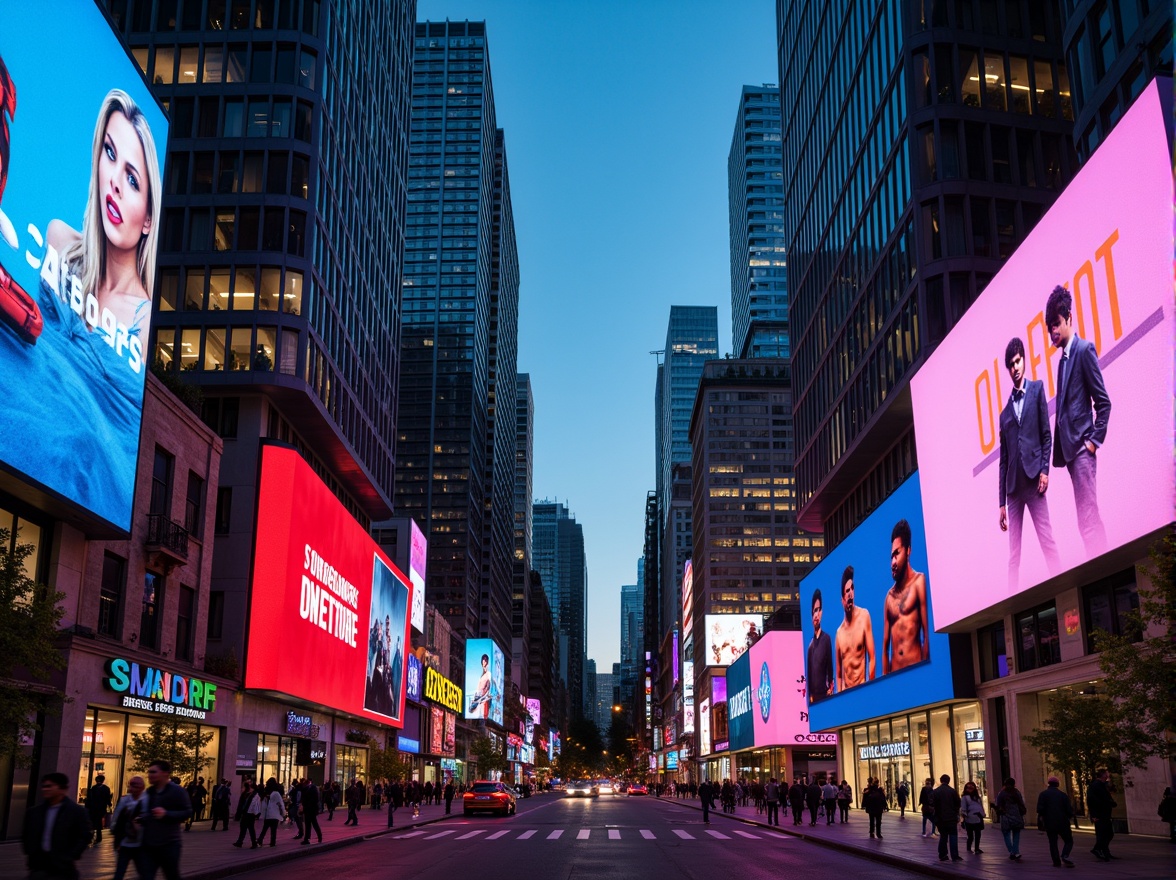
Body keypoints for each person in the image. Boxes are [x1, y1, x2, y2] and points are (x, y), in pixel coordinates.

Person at [1046, 284, 1111, 556]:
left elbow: (1103, 403)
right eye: (1050, 327)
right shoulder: (1062, 360)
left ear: (1069, 318)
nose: (1053, 332)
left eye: (1057, 324)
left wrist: (1093, 442)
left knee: (1088, 520)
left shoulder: (1084, 350)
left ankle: (1103, 568)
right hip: (1072, 454)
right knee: (1085, 519)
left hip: (1083, 451)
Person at [999, 337, 1061, 588]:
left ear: (1024, 360)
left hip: (1035, 481)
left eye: (1018, 361)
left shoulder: (1037, 390)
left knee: (1048, 540)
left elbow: (1047, 435)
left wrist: (1045, 470)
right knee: (1014, 555)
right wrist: (1000, 502)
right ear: (1007, 369)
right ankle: (1012, 599)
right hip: (1013, 490)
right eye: (1011, 365)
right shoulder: (1003, 415)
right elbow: (1003, 462)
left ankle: (1062, 585)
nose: (1015, 367)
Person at [21, 772, 92, 880]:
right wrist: (31, 852)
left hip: (63, 868)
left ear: (62, 789)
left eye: (49, 786)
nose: (45, 789)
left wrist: (71, 855)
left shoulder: (76, 812)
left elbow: (85, 835)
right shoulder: (34, 812)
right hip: (38, 866)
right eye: (44, 786)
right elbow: (26, 834)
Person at [882, 519, 930, 673]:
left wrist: (924, 671)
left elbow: (927, 635)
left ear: (908, 550)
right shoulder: (889, 597)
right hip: (895, 676)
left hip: (916, 670)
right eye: (891, 557)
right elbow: (885, 648)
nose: (893, 562)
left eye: (897, 553)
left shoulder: (919, 582)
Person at [139, 759, 193, 880]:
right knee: (145, 876)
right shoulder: (150, 792)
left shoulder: (177, 791)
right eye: (149, 772)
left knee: (171, 875)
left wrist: (166, 814)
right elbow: (147, 813)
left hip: (169, 844)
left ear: (165, 773)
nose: (150, 775)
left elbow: (187, 812)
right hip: (149, 845)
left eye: (153, 772)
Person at [835, 566, 875, 690]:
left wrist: (871, 688)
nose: (850, 593)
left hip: (863, 688)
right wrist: (840, 698)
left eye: (852, 588)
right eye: (847, 591)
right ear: (842, 599)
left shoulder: (864, 616)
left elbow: (872, 657)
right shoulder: (839, 633)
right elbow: (839, 674)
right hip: (846, 694)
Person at [111, 775, 148, 880]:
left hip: (140, 843)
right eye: (132, 786)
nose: (132, 789)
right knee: (120, 871)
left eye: (135, 786)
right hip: (125, 842)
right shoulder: (124, 801)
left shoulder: (146, 801)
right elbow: (115, 820)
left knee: (143, 872)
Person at [1036, 775, 1075, 867]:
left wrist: (1043, 818)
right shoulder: (1063, 795)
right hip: (1063, 822)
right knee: (1068, 840)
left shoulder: (1043, 794)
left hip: (1049, 822)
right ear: (1057, 784)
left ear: (1048, 784)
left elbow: (1040, 809)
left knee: (1053, 842)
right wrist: (1069, 817)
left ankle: (1056, 861)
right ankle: (1065, 855)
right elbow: (1069, 810)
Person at [807, 589, 835, 703]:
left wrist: (830, 688)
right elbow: (809, 674)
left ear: (822, 612)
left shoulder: (826, 639)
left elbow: (830, 667)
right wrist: (810, 696)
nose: (816, 615)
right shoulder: (810, 646)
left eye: (818, 610)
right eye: (814, 611)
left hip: (826, 696)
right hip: (814, 699)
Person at [1087, 768, 1116, 861]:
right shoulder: (1095, 785)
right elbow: (1091, 801)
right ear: (1103, 775)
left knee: (1108, 833)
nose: (1108, 775)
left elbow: (1106, 797)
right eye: (1107, 773)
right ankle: (1098, 849)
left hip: (1104, 813)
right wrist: (1094, 815)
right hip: (1100, 814)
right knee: (1103, 834)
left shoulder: (1102, 785)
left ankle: (1104, 851)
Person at [932, 774, 962, 862]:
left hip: (940, 818)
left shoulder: (936, 791)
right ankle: (954, 855)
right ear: (948, 781)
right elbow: (958, 803)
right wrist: (956, 813)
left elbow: (932, 804)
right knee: (953, 836)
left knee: (943, 836)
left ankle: (942, 854)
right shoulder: (952, 791)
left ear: (941, 781)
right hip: (951, 818)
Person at [995, 777, 1027, 860]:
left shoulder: (1002, 793)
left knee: (1006, 834)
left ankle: (1012, 851)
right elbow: (1021, 804)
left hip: (1005, 816)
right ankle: (1015, 851)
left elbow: (998, 804)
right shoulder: (1017, 793)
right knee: (1016, 835)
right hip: (1016, 815)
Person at [85, 773, 113, 845]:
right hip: (100, 808)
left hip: (93, 808)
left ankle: (92, 836)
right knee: (98, 822)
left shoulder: (93, 788)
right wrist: (109, 805)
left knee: (93, 822)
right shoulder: (106, 789)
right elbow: (108, 798)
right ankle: (98, 837)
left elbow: (89, 799)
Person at [232, 781, 260, 849]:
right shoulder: (245, 794)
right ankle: (240, 842)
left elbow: (257, 805)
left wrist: (255, 813)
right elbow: (241, 804)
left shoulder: (255, 795)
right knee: (243, 828)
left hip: (250, 814)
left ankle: (254, 843)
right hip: (245, 813)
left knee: (250, 828)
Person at [258, 779, 286, 847]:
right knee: (273, 830)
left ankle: (260, 840)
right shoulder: (276, 793)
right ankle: (272, 842)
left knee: (265, 828)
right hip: (274, 814)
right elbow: (280, 804)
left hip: (268, 814)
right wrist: (283, 813)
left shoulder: (266, 793)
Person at [960, 780, 985, 854]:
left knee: (977, 834)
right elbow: (963, 809)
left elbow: (981, 806)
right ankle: (969, 848)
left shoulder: (977, 798)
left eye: (971, 787)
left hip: (978, 817)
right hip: (970, 818)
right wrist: (963, 818)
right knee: (970, 835)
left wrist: (982, 814)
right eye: (968, 788)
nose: (970, 789)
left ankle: (976, 848)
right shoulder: (965, 798)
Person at [469, 653, 493, 718]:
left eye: (485, 660)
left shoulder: (488, 674)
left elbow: (488, 687)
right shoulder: (482, 675)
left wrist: (482, 698)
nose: (484, 661)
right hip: (478, 697)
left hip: (482, 699)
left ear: (487, 662)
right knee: (471, 710)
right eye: (483, 660)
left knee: (479, 714)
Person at [300, 779, 322, 845]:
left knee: (309, 824)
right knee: (314, 823)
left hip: (308, 809)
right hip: (312, 809)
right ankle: (319, 836)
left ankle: (307, 838)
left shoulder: (307, 790)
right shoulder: (314, 789)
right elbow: (316, 800)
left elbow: (304, 799)